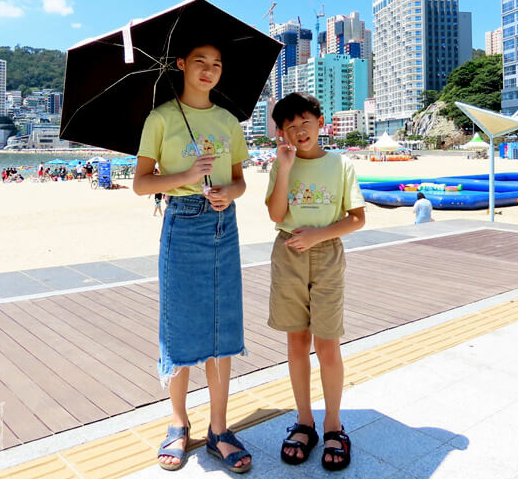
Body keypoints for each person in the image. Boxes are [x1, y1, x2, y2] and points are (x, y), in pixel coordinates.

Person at [132, 37, 252, 473]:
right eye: (200, 61)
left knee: (222, 324)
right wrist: (185, 174)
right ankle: (178, 423)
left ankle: (219, 428)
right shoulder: (161, 118)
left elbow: (240, 181)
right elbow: (142, 183)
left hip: (224, 223)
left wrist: (227, 192)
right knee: (179, 324)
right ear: (181, 64)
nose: (209, 70)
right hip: (181, 221)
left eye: (217, 64)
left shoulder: (228, 121)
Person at [266, 92, 366, 471]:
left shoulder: (340, 164)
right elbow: (276, 213)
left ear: (321, 123)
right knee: (296, 341)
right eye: (289, 126)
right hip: (288, 253)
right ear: (282, 133)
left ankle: (333, 425)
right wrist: (286, 167)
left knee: (327, 344)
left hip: (326, 256)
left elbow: (356, 219)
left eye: (305, 122)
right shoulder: (281, 164)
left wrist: (316, 237)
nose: (298, 131)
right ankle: (304, 421)